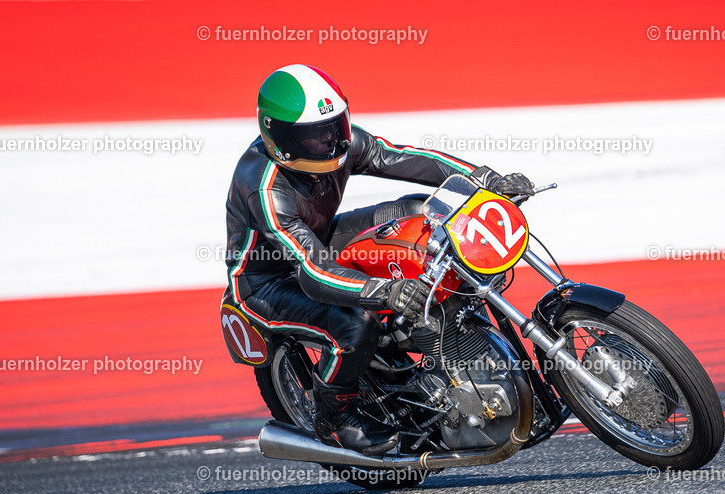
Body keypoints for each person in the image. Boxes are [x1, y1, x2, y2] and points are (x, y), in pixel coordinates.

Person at [225, 64, 533, 455]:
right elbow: (312, 270)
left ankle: (462, 342)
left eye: (334, 127)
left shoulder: (343, 143)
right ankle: (334, 417)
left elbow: (402, 157)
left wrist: (482, 179)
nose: (330, 142)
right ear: (277, 136)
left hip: (318, 240)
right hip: (269, 280)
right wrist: (384, 291)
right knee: (356, 324)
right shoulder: (266, 188)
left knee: (422, 214)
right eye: (314, 136)